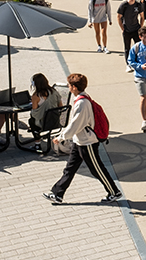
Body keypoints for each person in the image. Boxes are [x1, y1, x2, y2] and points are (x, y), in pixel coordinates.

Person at [43, 73, 122, 205]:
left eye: (69, 85)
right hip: (79, 141)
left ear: (74, 87)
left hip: (87, 143)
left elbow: (76, 124)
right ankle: (57, 194)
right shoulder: (84, 98)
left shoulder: (82, 103)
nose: (68, 87)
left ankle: (114, 192)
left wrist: (61, 137)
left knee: (97, 169)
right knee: (70, 169)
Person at [28, 73, 64, 148]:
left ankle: (37, 144)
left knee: (31, 120)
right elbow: (61, 106)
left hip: (43, 123)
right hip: (55, 120)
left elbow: (35, 113)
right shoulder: (54, 91)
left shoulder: (36, 96)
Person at [116, 0, 145, 65]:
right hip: (127, 30)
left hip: (136, 29)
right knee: (127, 48)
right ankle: (128, 64)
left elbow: (142, 16)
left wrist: (141, 27)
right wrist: (122, 27)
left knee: (139, 47)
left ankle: (139, 62)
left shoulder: (138, 5)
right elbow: (118, 16)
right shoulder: (124, 5)